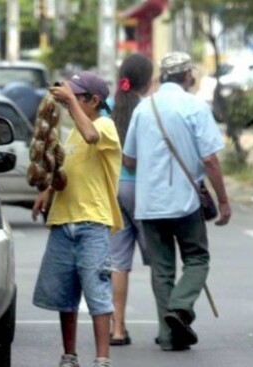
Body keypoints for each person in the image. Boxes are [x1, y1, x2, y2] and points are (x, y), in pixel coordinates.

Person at [122, 51, 232, 351]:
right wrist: (223, 201)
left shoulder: (144, 110)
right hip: (185, 202)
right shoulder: (195, 106)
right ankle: (180, 308)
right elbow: (210, 159)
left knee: (162, 269)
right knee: (197, 258)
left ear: (163, 77)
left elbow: (129, 161)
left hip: (150, 203)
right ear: (188, 76)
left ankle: (169, 337)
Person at [31, 71, 123, 367]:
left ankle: (102, 359)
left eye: (77, 96)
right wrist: (47, 190)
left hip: (92, 223)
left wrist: (68, 100)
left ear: (94, 101)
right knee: (65, 296)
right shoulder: (72, 132)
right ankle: (69, 355)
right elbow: (65, 170)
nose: (69, 102)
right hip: (63, 221)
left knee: (97, 292)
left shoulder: (104, 125)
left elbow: (91, 136)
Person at [108, 53, 154, 346]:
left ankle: (117, 329)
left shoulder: (109, 108)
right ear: (148, 82)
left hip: (114, 190)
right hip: (143, 191)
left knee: (118, 263)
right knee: (160, 260)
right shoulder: (148, 110)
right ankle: (168, 326)